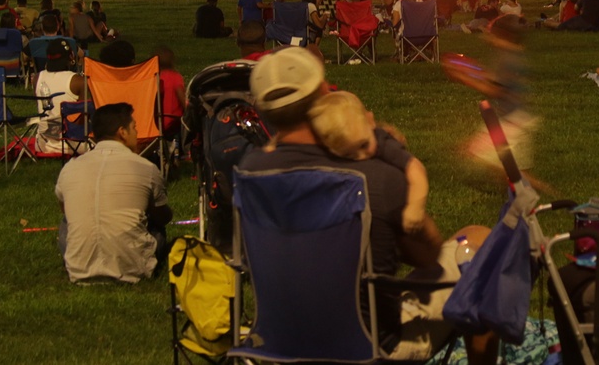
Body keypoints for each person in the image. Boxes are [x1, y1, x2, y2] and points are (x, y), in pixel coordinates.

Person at [240, 48, 497, 363]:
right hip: (370, 346)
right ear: (324, 93)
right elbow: (427, 257)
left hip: (281, 343)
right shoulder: (371, 176)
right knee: (483, 244)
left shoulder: (250, 172)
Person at [55, 102, 172, 284]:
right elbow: (163, 216)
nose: (136, 134)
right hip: (135, 268)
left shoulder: (70, 168)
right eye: (134, 128)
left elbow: (64, 209)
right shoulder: (146, 168)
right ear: (122, 132)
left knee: (67, 220)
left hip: (79, 270)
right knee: (155, 222)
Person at [309, 91, 429, 233]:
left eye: (364, 145)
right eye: (349, 154)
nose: (361, 157)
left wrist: (415, 206)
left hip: (395, 202)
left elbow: (415, 167)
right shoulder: (357, 136)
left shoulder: (384, 143)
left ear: (371, 121)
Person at [34, 38, 87, 154]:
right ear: (71, 56)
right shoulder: (78, 81)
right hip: (74, 145)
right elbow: (85, 116)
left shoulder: (37, 78)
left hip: (42, 144)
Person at [155, 45, 186, 139]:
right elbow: (182, 100)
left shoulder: (154, 78)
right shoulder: (175, 77)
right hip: (173, 123)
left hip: (154, 124)